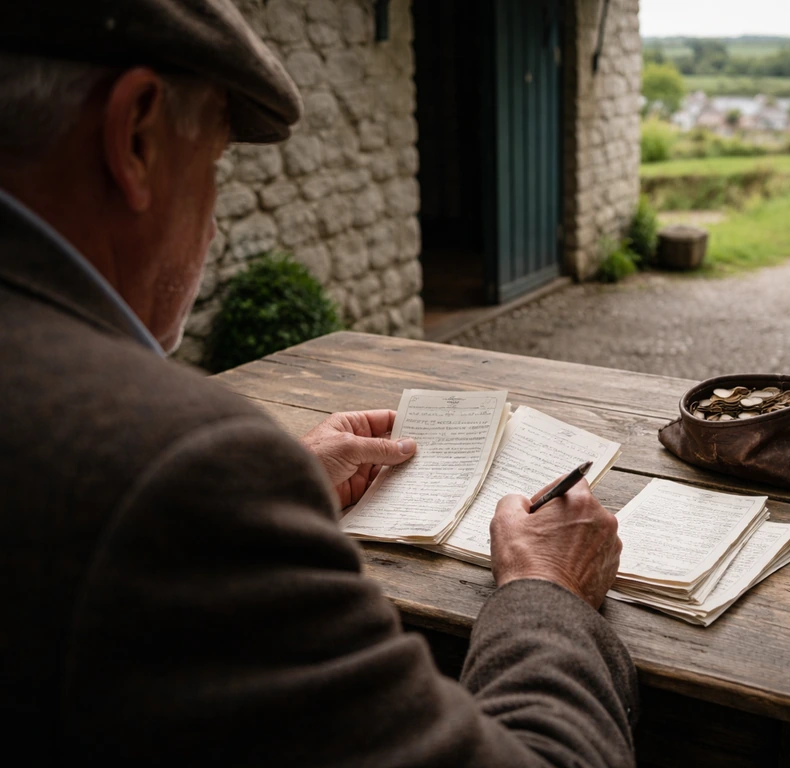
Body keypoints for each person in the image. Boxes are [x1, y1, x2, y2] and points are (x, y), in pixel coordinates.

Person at [0, 2, 638, 765]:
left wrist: (286, 482)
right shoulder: (182, 470)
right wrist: (549, 590)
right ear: (135, 136)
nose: (212, 227)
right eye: (213, 163)